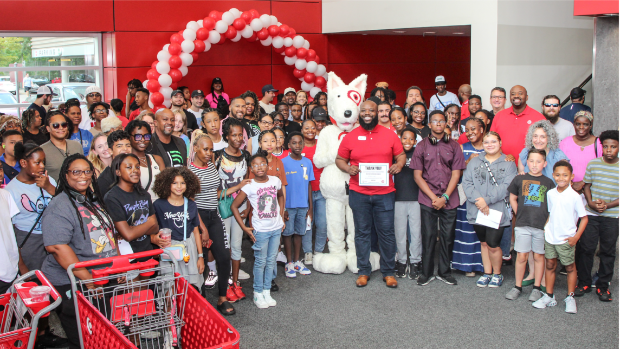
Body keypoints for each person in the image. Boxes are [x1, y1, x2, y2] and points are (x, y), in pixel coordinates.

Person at [41, 154, 117, 349]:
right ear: (66, 176)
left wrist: (116, 266)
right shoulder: (60, 205)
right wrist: (88, 280)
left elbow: (107, 235)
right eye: (76, 172)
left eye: (87, 171)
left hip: (99, 278)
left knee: (102, 333)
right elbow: (57, 247)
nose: (82, 176)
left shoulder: (92, 199)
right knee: (85, 339)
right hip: (74, 282)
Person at [336, 100, 405, 288]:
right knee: (362, 233)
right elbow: (340, 159)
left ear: (377, 113)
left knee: (387, 233)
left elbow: (401, 156)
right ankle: (363, 270)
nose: (368, 113)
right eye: (364, 110)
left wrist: (398, 165)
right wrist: (348, 168)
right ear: (360, 114)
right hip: (359, 193)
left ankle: (389, 272)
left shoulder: (390, 135)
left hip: (385, 193)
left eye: (371, 110)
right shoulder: (351, 136)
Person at [412, 110, 465, 286]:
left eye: (442, 121)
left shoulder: (454, 146)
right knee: (428, 237)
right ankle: (426, 273)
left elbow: (456, 174)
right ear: (429, 125)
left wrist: (445, 197)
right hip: (428, 199)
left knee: (448, 238)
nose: (439, 124)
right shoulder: (421, 146)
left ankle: (444, 272)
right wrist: (434, 197)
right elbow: (417, 176)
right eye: (435, 121)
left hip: (450, 199)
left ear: (446, 124)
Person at [189, 132, 237, 314]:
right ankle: (200, 301)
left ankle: (222, 298)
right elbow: (190, 202)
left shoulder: (211, 166)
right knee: (199, 261)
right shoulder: (191, 172)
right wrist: (202, 228)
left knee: (224, 257)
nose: (209, 153)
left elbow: (215, 192)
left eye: (211, 149)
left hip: (214, 215)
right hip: (198, 218)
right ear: (195, 149)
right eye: (205, 149)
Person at [463, 131, 517, 287]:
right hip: (477, 209)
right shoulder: (474, 162)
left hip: (497, 210)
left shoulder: (508, 163)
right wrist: (478, 201)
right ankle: (487, 273)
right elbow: (467, 183)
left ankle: (497, 273)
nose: (490, 145)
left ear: (500, 143)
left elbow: (506, 187)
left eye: (493, 141)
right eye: (486, 142)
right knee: (484, 243)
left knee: (494, 244)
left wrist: (486, 201)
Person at [532, 160, 587, 313]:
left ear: (571, 176)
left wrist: (576, 237)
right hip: (550, 237)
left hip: (566, 238)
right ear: (553, 175)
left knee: (570, 267)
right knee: (550, 265)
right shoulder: (550, 194)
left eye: (565, 175)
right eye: (558, 175)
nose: (561, 178)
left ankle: (570, 297)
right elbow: (551, 213)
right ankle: (549, 296)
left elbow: (584, 218)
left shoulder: (575, 196)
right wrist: (546, 228)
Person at [231, 152, 284, 309]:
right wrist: (245, 228)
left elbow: (280, 196)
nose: (259, 167)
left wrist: (281, 216)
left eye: (262, 164)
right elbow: (234, 206)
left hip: (276, 228)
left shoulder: (275, 181)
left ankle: (266, 291)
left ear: (267, 166)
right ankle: (257, 292)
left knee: (271, 260)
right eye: (255, 165)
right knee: (260, 261)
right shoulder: (249, 186)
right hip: (260, 230)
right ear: (251, 169)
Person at [505, 148, 555, 302]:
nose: (534, 164)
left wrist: (547, 223)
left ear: (544, 163)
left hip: (540, 226)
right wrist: (518, 212)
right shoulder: (519, 179)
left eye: (538, 161)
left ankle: (537, 287)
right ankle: (517, 286)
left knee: (539, 256)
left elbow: (552, 206)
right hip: (522, 224)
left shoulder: (549, 183)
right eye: (531, 161)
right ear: (527, 162)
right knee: (521, 256)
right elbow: (512, 197)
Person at [575, 130, 620, 302]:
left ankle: (603, 285)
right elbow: (587, 185)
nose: (609, 150)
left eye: (613, 147)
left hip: (613, 216)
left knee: (608, 251)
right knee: (586, 248)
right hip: (591, 214)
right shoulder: (593, 164)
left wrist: (608, 205)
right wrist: (591, 202)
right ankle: (584, 282)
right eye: (606, 146)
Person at [6, 141, 56, 272]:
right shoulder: (11, 190)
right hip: (29, 240)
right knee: (37, 279)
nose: (42, 166)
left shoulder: (48, 180)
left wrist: (49, 187)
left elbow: (64, 203)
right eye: (37, 162)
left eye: (43, 162)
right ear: (23, 163)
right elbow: (9, 228)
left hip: (52, 236)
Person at [215, 118, 252, 290]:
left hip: (241, 205)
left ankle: (235, 283)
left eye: (240, 135)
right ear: (227, 136)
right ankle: (225, 278)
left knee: (237, 244)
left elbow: (249, 183)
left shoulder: (246, 156)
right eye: (233, 135)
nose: (238, 138)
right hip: (223, 205)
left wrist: (249, 206)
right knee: (225, 245)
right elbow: (212, 186)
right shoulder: (218, 156)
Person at [152, 167, 205, 288]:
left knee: (190, 286)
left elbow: (196, 231)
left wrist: (200, 256)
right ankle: (171, 307)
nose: (179, 186)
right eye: (174, 183)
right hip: (169, 248)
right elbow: (153, 228)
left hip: (188, 247)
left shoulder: (191, 205)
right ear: (167, 184)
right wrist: (154, 238)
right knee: (169, 285)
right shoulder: (159, 205)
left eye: (182, 183)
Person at [104, 153, 160, 258]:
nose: (135, 170)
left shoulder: (144, 194)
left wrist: (132, 229)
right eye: (129, 167)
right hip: (127, 255)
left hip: (146, 252)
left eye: (137, 167)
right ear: (118, 172)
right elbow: (129, 235)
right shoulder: (112, 197)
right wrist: (148, 223)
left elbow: (155, 228)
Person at [451, 118, 486, 277]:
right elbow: (455, 173)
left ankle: (485, 266)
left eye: (474, 129)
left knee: (483, 231)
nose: (470, 132)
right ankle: (467, 266)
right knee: (466, 230)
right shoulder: (460, 148)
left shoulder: (490, 147)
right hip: (465, 197)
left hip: (486, 198)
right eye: (468, 130)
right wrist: (468, 162)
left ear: (482, 130)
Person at [281, 132, 314, 278]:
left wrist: (310, 207)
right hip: (288, 206)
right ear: (288, 146)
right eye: (294, 143)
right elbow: (279, 187)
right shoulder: (283, 162)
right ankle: (288, 262)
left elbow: (309, 185)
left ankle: (296, 261)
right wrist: (282, 208)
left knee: (300, 233)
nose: (298, 145)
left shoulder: (307, 162)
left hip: (303, 205)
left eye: (300, 142)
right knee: (288, 234)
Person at [393, 128, 422, 279]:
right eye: (405, 138)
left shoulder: (419, 154)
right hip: (398, 199)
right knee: (400, 233)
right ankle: (402, 261)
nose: (408, 142)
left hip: (416, 199)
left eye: (411, 139)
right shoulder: (395, 154)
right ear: (400, 139)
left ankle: (416, 261)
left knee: (416, 233)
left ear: (416, 142)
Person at [490, 85, 545, 159]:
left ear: (527, 97)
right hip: (502, 165)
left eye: (520, 93)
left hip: (528, 167)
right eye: (513, 94)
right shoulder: (499, 116)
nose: (516, 96)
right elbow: (491, 140)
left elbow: (544, 144)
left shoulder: (538, 117)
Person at [299, 120, 326, 264]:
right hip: (304, 193)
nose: (310, 130)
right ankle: (308, 252)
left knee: (322, 223)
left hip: (321, 191)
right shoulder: (298, 146)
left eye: (313, 128)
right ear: (302, 129)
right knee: (307, 223)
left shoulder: (321, 146)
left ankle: (319, 251)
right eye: (307, 128)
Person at [558, 111, 602, 194]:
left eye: (585, 124)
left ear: (591, 125)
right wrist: (570, 183)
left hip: (591, 191)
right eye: (578, 124)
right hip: (568, 189)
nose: (581, 127)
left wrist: (583, 183)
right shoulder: (565, 142)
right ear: (574, 125)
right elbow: (560, 166)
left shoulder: (599, 143)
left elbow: (602, 168)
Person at [126, 120, 165, 201]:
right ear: (129, 137)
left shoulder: (157, 159)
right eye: (138, 136)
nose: (143, 140)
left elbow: (165, 186)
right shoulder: (125, 162)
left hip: (159, 207)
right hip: (139, 208)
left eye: (146, 136)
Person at [41, 111, 84, 181]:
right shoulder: (42, 151)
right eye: (56, 125)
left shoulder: (76, 146)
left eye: (64, 124)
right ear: (48, 128)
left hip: (79, 190)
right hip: (54, 191)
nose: (61, 128)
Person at [96, 130, 133, 198]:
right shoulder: (104, 179)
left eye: (128, 145)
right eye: (119, 146)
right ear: (110, 151)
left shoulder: (134, 172)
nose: (125, 149)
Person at [0, 184, 19, 294]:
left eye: (1, 168)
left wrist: (19, 264)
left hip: (10, 268)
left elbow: (11, 231)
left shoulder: (5, 194)